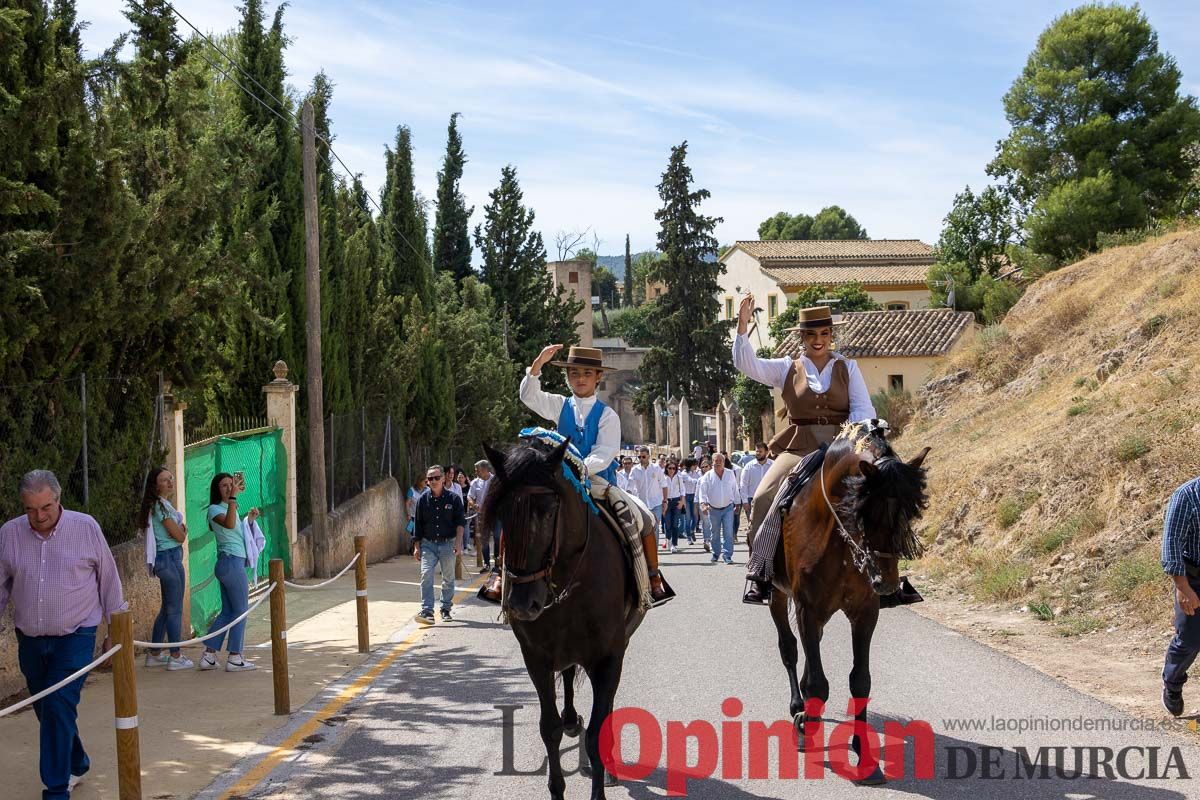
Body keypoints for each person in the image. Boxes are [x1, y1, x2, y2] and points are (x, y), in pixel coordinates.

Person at [733, 295, 877, 605]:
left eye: (824, 334)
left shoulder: (847, 367)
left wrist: (849, 441)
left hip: (841, 446)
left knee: (883, 486)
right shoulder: (786, 367)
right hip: (798, 447)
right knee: (763, 496)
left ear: (831, 335)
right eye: (811, 334)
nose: (818, 340)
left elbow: (863, 408)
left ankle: (888, 571)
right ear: (802, 337)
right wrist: (743, 326)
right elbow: (748, 364)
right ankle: (762, 573)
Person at [0, 470, 127, 799]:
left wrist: (116, 630)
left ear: (58, 500)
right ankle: (77, 760)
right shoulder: (10, 534)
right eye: (30, 509)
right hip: (30, 639)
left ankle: (55, 790)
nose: (39, 517)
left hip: (76, 634)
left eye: (46, 508)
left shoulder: (85, 528)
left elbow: (109, 582)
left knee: (57, 703)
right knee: (48, 708)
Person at [520, 345, 672, 605]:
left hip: (597, 482)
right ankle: (501, 577)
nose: (580, 378)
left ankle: (651, 577)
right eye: (575, 373)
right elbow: (529, 397)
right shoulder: (559, 405)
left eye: (587, 373)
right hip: (561, 480)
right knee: (521, 509)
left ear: (598, 377)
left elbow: (605, 453)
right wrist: (537, 364)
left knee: (644, 517)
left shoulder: (608, 415)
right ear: (568, 376)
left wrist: (578, 467)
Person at [198, 472, 265, 671]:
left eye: (231, 484)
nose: (229, 488)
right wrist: (234, 498)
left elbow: (237, 530)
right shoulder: (214, 509)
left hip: (233, 564)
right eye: (224, 486)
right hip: (230, 564)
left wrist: (250, 520)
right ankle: (235, 657)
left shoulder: (230, 508)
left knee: (228, 612)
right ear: (216, 490)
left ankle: (209, 655)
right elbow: (227, 524)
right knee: (241, 611)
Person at [139, 467, 193, 670]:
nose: (170, 482)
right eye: (164, 480)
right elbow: (179, 535)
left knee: (167, 608)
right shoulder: (159, 508)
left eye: (171, 478)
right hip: (168, 559)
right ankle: (175, 656)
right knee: (174, 610)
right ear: (155, 485)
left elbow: (177, 533)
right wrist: (182, 531)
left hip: (171, 558)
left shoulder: (163, 505)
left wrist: (180, 531)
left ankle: (154, 653)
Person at [1161, 475, 1200, 716]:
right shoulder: (1187, 495)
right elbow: (1171, 542)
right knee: (1190, 639)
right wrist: (1182, 587)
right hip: (1193, 578)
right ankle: (1173, 683)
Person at [413, 465, 465, 623]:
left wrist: (458, 543)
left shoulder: (454, 499)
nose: (433, 481)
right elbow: (418, 525)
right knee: (426, 575)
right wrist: (416, 547)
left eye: (436, 478)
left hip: (448, 544)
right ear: (427, 481)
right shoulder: (422, 499)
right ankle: (427, 611)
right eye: (430, 478)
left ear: (443, 478)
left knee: (448, 578)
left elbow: (460, 523)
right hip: (428, 544)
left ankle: (445, 608)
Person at [697, 453, 742, 565]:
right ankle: (716, 553)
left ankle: (727, 555)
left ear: (723, 462)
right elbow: (702, 492)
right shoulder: (707, 476)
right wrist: (703, 504)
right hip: (713, 508)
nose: (717, 463)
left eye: (719, 461)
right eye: (715, 461)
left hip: (728, 508)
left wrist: (738, 503)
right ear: (712, 462)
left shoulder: (730, 473)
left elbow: (735, 489)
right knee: (715, 532)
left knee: (728, 532)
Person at [628, 446, 668, 551]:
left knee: (655, 528)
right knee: (643, 528)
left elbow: (664, 485)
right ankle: (646, 552)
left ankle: (654, 553)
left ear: (649, 456)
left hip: (656, 504)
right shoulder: (634, 470)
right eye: (639, 456)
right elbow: (630, 488)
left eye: (643, 456)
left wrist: (665, 501)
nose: (641, 458)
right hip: (642, 504)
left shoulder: (656, 469)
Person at [469, 460, 501, 572]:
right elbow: (469, 497)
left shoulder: (496, 481)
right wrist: (473, 504)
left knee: (497, 537)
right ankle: (487, 564)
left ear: (485, 470)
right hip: (482, 515)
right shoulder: (474, 483)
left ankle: (497, 563)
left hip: (496, 515)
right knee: (484, 540)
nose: (476, 472)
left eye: (477, 470)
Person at [739, 442, 774, 536]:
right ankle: (753, 546)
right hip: (752, 500)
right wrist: (745, 501)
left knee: (768, 525)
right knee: (754, 526)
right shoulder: (748, 467)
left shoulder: (773, 466)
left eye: (760, 451)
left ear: (766, 452)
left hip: (769, 500)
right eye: (757, 451)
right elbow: (743, 485)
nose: (758, 453)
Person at [662, 461, 687, 553]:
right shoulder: (663, 478)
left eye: (673, 468)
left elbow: (683, 490)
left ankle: (674, 544)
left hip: (676, 501)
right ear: (666, 469)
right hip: (667, 501)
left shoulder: (679, 477)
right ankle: (668, 539)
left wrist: (682, 502)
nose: (672, 470)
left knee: (675, 524)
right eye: (670, 468)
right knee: (667, 523)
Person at [405, 474, 427, 553]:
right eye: (425, 481)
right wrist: (408, 514)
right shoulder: (411, 490)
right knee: (412, 532)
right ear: (420, 481)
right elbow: (408, 503)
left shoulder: (427, 490)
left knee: (423, 533)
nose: (426, 482)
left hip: (424, 516)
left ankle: (421, 548)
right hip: (414, 516)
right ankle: (413, 548)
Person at [680, 458, 699, 545]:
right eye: (695, 464)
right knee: (688, 518)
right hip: (687, 497)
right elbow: (691, 481)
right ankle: (688, 537)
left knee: (695, 517)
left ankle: (691, 530)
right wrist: (700, 480)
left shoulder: (696, 473)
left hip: (694, 496)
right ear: (691, 465)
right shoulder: (684, 474)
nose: (696, 466)